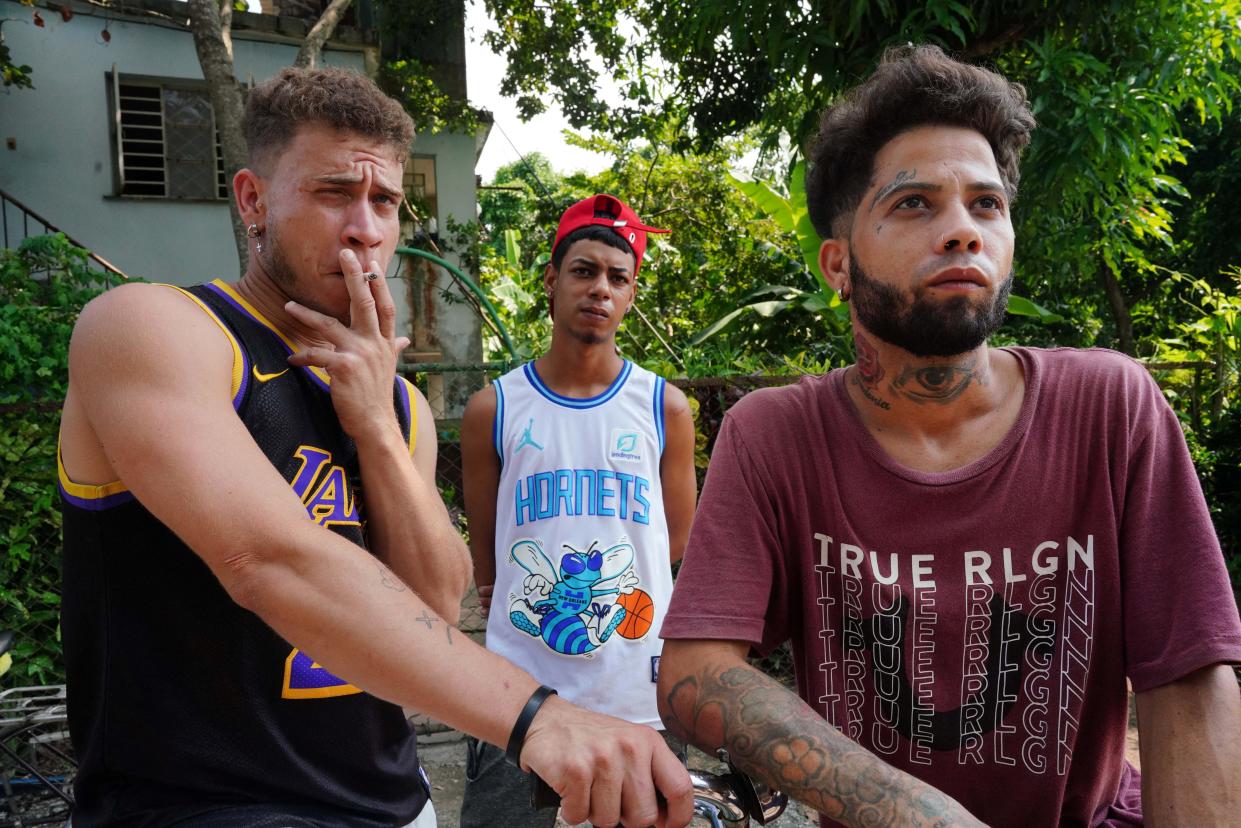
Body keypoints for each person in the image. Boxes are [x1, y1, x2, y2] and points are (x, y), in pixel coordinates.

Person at [58, 67, 692, 828]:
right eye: (333, 193)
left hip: (393, 800)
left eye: (384, 201)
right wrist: (539, 717)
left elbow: (430, 604)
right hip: (209, 805)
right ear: (253, 201)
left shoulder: (400, 405)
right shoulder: (153, 329)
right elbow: (268, 558)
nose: (365, 227)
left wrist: (376, 427)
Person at [656, 45, 1241, 828]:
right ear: (837, 263)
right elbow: (695, 673)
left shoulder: (1110, 406)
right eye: (913, 204)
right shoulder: (776, 437)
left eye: (985, 205)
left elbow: (1187, 675)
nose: (962, 230)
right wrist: (911, 811)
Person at [457, 194, 698, 827]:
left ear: (632, 293)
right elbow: (487, 543)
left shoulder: (662, 407)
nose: (600, 289)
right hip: (519, 696)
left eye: (618, 278)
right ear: (551, 280)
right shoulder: (494, 409)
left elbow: (675, 541)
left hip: (634, 693)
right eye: (584, 271)